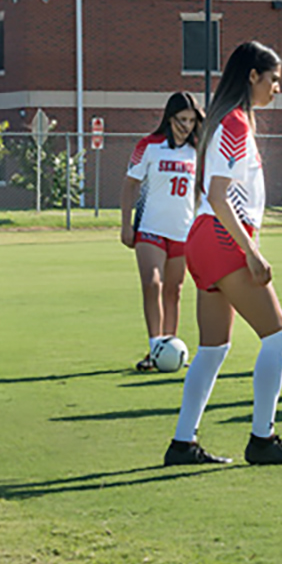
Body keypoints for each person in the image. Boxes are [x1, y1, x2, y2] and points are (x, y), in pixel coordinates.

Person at [164, 41, 282, 466]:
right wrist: (251, 251)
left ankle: (182, 443)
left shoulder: (228, 121)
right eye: (274, 79)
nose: (277, 88)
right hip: (223, 237)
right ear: (253, 76)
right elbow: (219, 195)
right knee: (279, 336)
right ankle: (262, 439)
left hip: (206, 238)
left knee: (212, 348)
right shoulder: (233, 123)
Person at [120, 92, 203, 371]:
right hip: (150, 228)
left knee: (174, 290)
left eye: (192, 120)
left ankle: (171, 349)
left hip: (183, 231)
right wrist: (126, 224)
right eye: (181, 119)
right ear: (169, 118)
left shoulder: (196, 151)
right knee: (152, 283)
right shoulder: (149, 146)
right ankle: (155, 347)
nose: (187, 125)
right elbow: (130, 184)